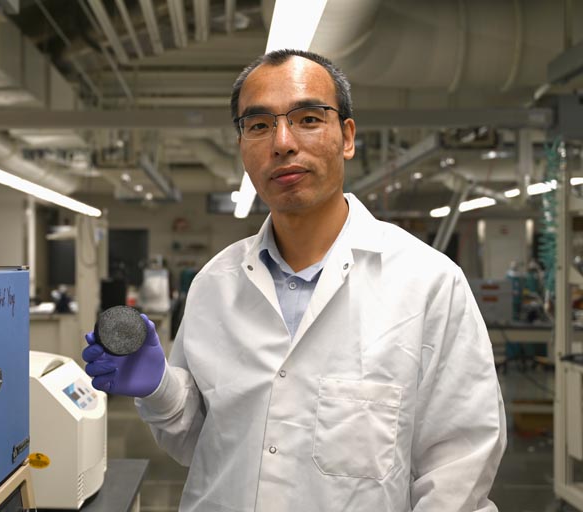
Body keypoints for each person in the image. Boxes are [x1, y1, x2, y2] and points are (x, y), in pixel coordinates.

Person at [83, 49, 506, 511]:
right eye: (259, 125)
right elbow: (201, 445)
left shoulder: (428, 284)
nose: (282, 142)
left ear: (346, 136)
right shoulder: (214, 286)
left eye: (307, 118)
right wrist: (159, 387)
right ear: (242, 145)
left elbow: (459, 465)